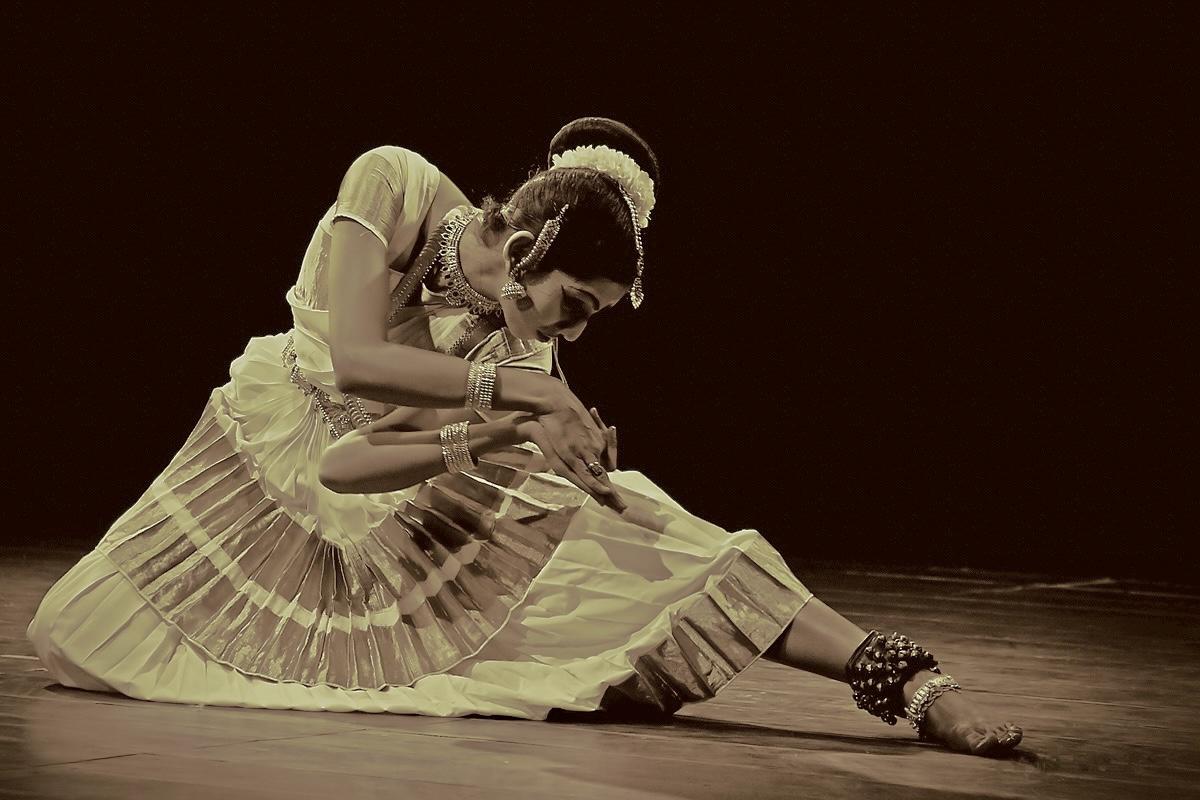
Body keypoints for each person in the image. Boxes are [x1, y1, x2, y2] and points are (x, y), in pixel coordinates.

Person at [27, 117, 1022, 756]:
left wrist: (510, 434)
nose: (572, 330)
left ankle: (898, 670)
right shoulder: (396, 185)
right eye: (573, 301)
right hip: (272, 458)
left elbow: (387, 461)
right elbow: (362, 359)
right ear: (529, 249)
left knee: (640, 516)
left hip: (371, 496)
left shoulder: (518, 350)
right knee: (96, 649)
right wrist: (508, 398)